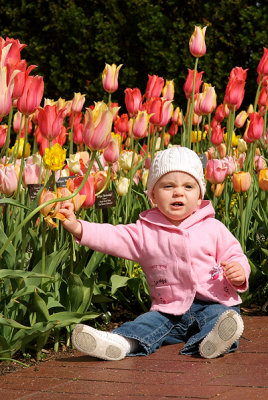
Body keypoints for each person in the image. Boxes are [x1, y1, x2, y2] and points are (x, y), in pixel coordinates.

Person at [59, 146, 250, 361]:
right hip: (169, 308)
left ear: (199, 197)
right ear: (152, 197)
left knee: (223, 320)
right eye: (168, 186)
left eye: (188, 186)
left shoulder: (213, 227)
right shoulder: (145, 232)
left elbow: (235, 254)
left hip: (214, 300)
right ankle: (119, 342)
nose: (178, 192)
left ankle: (212, 342)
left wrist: (240, 270)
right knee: (146, 323)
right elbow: (111, 236)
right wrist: (78, 227)